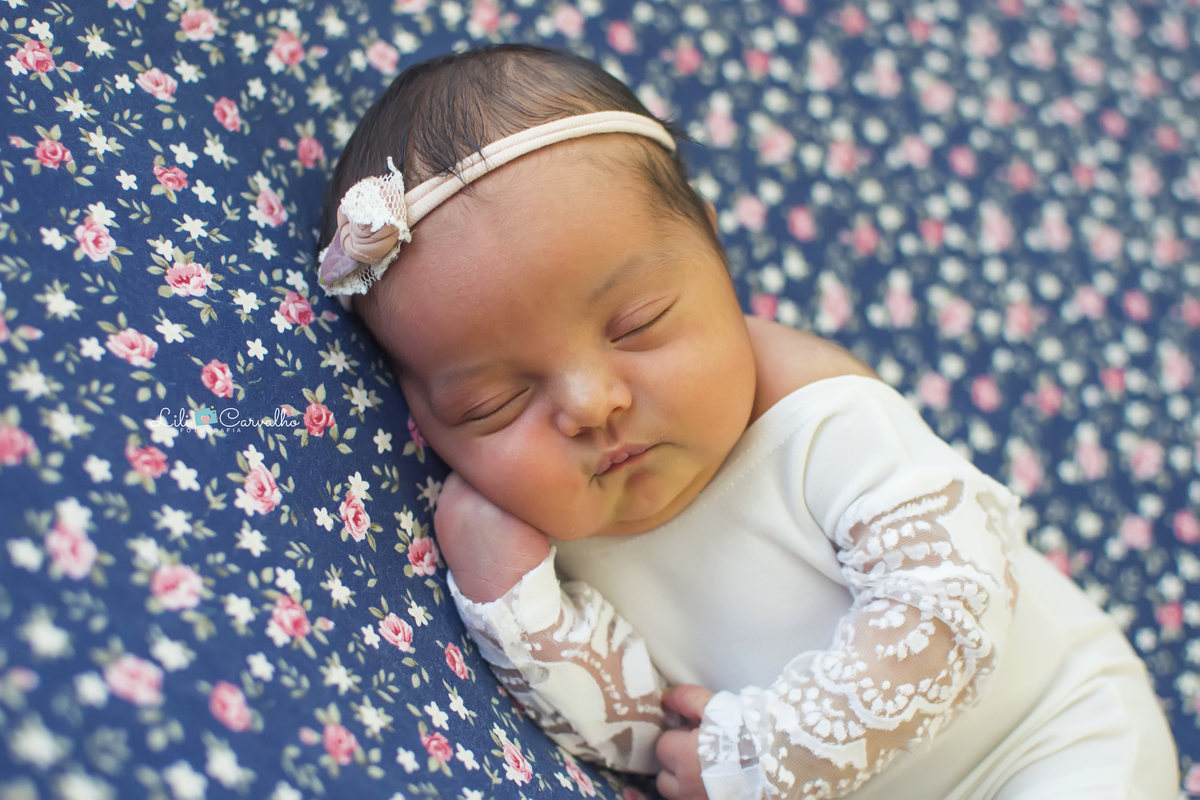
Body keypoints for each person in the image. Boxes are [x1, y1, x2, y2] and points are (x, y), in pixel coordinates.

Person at [317, 44, 1179, 800]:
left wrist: (773, 755)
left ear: (718, 259)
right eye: (492, 404)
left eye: (638, 323)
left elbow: (952, 605)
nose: (589, 404)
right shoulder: (550, 526)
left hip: (1049, 733)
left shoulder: (815, 410)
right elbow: (646, 738)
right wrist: (518, 612)